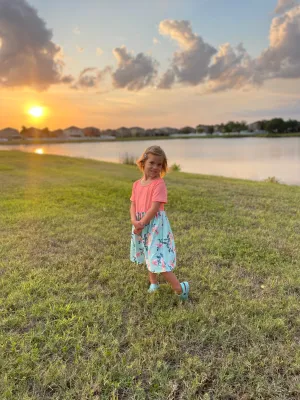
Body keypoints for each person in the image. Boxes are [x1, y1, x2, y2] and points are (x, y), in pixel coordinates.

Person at [130, 145, 189, 300]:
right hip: (141, 223)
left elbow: (155, 208)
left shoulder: (159, 184)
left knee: (158, 257)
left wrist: (141, 223)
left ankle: (179, 288)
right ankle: (154, 283)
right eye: (152, 163)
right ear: (143, 163)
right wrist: (133, 220)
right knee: (149, 253)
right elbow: (133, 204)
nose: (155, 167)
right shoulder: (136, 184)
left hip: (155, 225)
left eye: (159, 164)